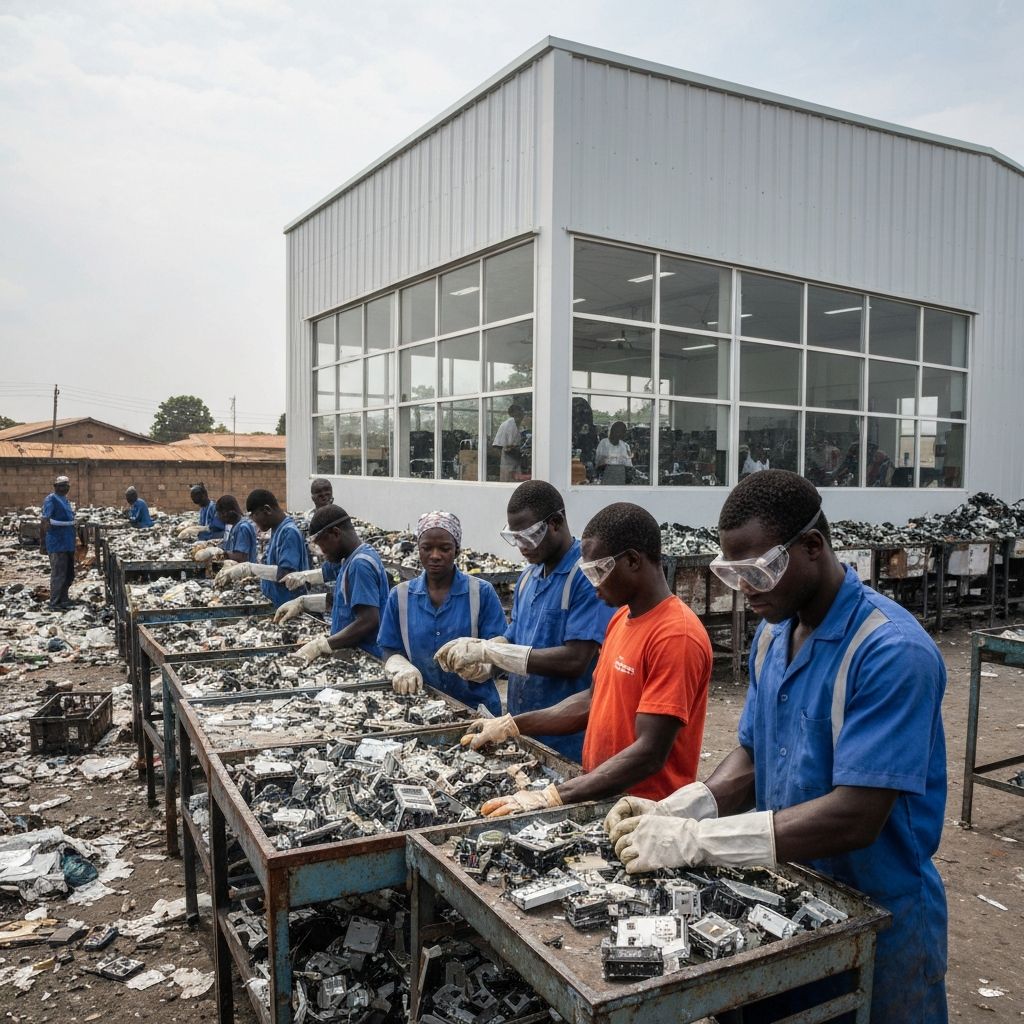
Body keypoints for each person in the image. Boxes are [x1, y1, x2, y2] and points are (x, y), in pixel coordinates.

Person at [607, 470, 947, 1023]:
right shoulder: (772, 634)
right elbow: (753, 755)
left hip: (880, 915)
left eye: (759, 570)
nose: (745, 588)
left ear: (812, 547)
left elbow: (856, 816)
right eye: (733, 572)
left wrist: (697, 840)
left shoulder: (891, 653)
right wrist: (682, 807)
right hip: (788, 900)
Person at [459, 502, 712, 818]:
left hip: (646, 812)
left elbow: (650, 753)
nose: (593, 586)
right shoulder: (621, 618)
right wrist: (512, 725)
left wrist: (554, 795)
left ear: (633, 560)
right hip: (603, 795)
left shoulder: (676, 635)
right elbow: (594, 699)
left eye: (599, 572)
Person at [436, 480, 615, 762]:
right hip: (524, 728)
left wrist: (490, 651)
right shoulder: (527, 578)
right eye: (515, 537)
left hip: (569, 738)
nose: (521, 547)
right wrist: (488, 663)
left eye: (528, 537)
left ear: (556, 522)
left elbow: (575, 660)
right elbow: (515, 637)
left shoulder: (584, 576)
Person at [377, 511, 508, 712]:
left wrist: (484, 668)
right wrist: (401, 666)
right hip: (422, 707)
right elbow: (389, 649)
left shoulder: (481, 593)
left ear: (457, 550)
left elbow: (501, 650)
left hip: (475, 707)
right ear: (418, 550)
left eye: (445, 548)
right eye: (427, 548)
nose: (435, 556)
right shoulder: (400, 596)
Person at [274, 505, 390, 665]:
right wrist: (303, 603)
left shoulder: (360, 565)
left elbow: (369, 620)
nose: (322, 552)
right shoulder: (350, 559)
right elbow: (343, 603)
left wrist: (323, 645)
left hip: (367, 655)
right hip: (353, 652)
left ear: (335, 533)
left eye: (322, 545)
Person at [213, 489, 308, 607]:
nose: (253, 520)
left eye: (255, 515)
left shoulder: (289, 532)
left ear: (267, 510)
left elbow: (286, 574)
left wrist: (250, 568)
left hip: (289, 603)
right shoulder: (276, 530)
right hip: (277, 601)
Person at [40, 475, 76, 611]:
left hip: (68, 542)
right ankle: (54, 603)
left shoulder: (66, 501)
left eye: (67, 485)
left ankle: (64, 599)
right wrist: (42, 543)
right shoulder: (51, 500)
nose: (65, 488)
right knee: (58, 573)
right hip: (57, 542)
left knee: (69, 573)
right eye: (62, 485)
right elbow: (45, 521)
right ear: (55, 487)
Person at [192, 495, 258, 565]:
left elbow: (241, 557)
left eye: (219, 514)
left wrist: (222, 553)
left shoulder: (243, 528)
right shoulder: (234, 526)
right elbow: (230, 546)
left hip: (243, 571)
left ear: (226, 513)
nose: (219, 518)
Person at [492, 403, 525, 481]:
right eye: (520, 413)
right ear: (514, 414)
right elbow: (498, 446)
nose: (522, 415)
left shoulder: (518, 425)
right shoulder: (508, 425)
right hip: (508, 462)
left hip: (514, 462)